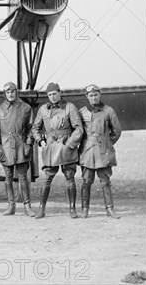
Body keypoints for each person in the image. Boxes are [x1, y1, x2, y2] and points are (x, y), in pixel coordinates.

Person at [32, 82, 83, 219]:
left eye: (55, 94)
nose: (52, 97)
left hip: (66, 146)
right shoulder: (43, 109)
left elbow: (79, 129)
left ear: (60, 92)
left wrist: (69, 145)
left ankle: (72, 209)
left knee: (69, 178)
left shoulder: (70, 107)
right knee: (47, 178)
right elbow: (35, 128)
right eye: (49, 95)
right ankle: (41, 209)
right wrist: (41, 141)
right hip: (50, 147)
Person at [0, 82, 36, 217]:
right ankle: (11, 205)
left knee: (22, 177)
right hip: (5, 147)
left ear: (16, 92)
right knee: (8, 177)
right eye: (7, 92)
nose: (10, 94)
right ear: (4, 94)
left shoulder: (26, 108)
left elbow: (31, 128)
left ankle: (27, 206)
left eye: (12, 92)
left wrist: (28, 144)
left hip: (21, 145)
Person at [78, 84, 122, 219]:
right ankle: (85, 209)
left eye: (96, 94)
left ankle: (110, 209)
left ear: (100, 95)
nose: (94, 97)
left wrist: (107, 143)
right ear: (87, 96)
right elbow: (78, 130)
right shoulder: (82, 112)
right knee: (86, 180)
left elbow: (117, 131)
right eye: (91, 95)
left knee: (105, 181)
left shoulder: (108, 111)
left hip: (103, 151)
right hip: (87, 151)